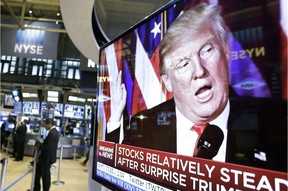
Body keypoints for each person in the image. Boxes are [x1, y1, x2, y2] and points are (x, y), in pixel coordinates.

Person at [106, 3, 287, 172]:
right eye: (183, 63)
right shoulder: (145, 125)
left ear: (226, 51)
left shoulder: (276, 122)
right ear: (167, 81)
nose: (199, 70)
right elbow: (120, 170)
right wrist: (115, 120)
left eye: (206, 51)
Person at [33, 118, 60, 191]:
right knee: (38, 172)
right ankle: (36, 189)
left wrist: (39, 143)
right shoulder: (55, 132)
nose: (44, 126)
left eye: (45, 124)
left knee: (45, 175)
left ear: (49, 124)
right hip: (47, 157)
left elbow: (47, 147)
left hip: (46, 158)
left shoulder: (52, 133)